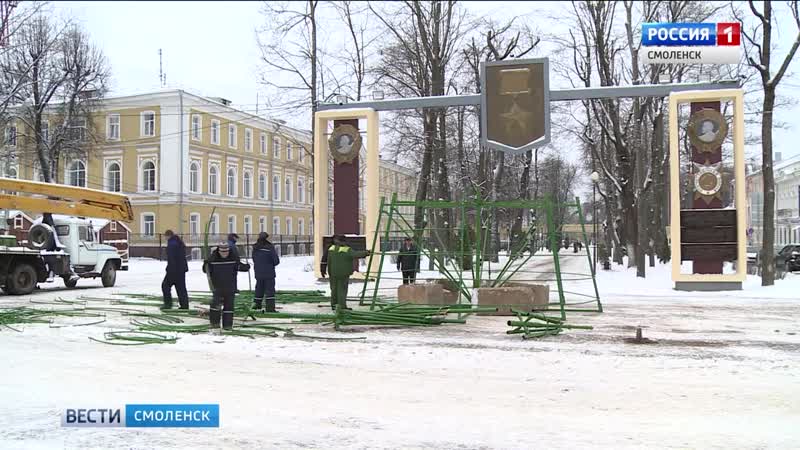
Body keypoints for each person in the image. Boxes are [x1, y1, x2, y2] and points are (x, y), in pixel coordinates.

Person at [320, 235, 370, 311]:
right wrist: (367, 252)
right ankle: (342, 306)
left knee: (334, 289)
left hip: (333, 273)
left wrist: (323, 269)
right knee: (342, 290)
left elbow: (325, 259)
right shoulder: (347, 250)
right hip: (343, 273)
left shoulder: (331, 249)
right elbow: (357, 254)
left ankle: (334, 305)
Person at [203, 242, 239, 330]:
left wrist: (246, 267)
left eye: (226, 252)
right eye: (222, 252)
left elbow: (239, 267)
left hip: (230, 287)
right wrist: (205, 264)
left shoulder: (233, 258)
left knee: (229, 308)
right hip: (217, 287)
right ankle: (215, 324)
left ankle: (227, 325)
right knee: (215, 306)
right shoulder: (213, 259)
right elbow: (206, 270)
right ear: (218, 251)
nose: (224, 254)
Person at [252, 232, 280, 313]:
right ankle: (270, 308)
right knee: (270, 291)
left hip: (258, 272)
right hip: (269, 273)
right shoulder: (270, 247)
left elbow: (254, 259)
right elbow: (276, 261)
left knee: (259, 289)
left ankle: (257, 305)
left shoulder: (255, 247)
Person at [161, 230, 189, 309]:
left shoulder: (171, 244)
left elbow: (172, 258)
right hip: (181, 269)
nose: (165, 238)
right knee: (181, 288)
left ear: (168, 236)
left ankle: (168, 304)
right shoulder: (179, 242)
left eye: (165, 236)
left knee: (165, 286)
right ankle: (184, 305)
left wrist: (169, 269)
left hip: (174, 269)